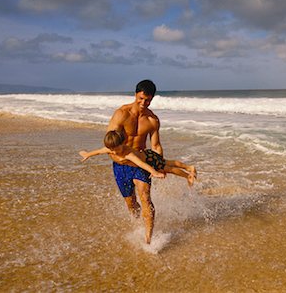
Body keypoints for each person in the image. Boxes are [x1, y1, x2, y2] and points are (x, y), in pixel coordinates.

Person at [102, 79, 161, 244]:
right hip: (121, 164)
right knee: (131, 203)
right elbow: (109, 141)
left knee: (145, 198)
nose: (144, 103)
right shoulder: (121, 114)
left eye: (148, 100)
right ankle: (137, 226)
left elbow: (156, 146)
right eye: (141, 98)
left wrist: (159, 164)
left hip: (141, 164)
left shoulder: (152, 120)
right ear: (135, 94)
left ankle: (148, 238)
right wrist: (121, 159)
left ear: (152, 99)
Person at [79, 130, 197, 185]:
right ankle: (189, 167)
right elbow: (99, 151)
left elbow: (141, 164)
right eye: (111, 149)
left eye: (116, 148)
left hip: (150, 159)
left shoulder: (128, 154)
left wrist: (154, 172)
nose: (113, 151)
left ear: (122, 144)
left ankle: (188, 176)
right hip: (148, 154)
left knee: (168, 168)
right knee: (168, 162)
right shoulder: (111, 149)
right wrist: (87, 154)